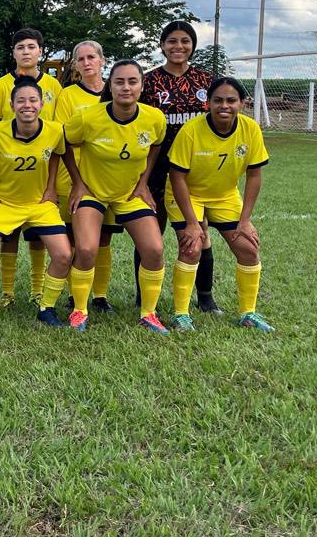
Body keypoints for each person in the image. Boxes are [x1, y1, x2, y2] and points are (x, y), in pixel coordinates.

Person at [61, 60, 169, 334]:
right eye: (119, 81)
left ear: (142, 86)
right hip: (93, 193)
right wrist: (78, 184)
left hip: (128, 194)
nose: (126, 87)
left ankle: (149, 313)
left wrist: (144, 182)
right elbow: (63, 144)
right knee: (85, 249)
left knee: (154, 250)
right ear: (110, 85)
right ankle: (79, 310)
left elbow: (156, 146)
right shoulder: (88, 117)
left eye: (133, 81)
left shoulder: (154, 118)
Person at [167, 77, 273, 332]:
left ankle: (248, 312)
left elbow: (254, 175)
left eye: (231, 100)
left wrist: (245, 220)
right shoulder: (191, 130)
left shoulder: (250, 129)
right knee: (192, 247)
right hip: (188, 194)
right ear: (208, 103)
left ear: (242, 103)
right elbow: (177, 176)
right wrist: (192, 223)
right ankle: (181, 314)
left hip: (224, 196)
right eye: (218, 100)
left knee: (248, 249)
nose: (224, 105)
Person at [0, 76, 71, 329]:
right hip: (4, 203)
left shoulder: (54, 130)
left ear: (41, 105)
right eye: (21, 100)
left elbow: (56, 157)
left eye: (32, 100)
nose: (26, 105)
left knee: (63, 255)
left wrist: (51, 187)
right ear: (11, 104)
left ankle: (46, 308)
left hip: (39, 204)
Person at [138, 20, 220, 313]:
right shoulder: (147, 81)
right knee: (151, 232)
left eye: (185, 41)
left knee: (198, 230)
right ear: (162, 45)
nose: (178, 46)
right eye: (172, 41)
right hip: (155, 167)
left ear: (193, 46)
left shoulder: (207, 81)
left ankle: (205, 297)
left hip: (194, 170)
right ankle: (143, 296)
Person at [0, 28, 64, 314]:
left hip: (38, 173)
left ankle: (36, 290)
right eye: (20, 47)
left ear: (41, 51)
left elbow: (56, 141)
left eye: (32, 46)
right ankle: (6, 292)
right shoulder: (1, 86)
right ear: (14, 52)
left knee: (38, 237)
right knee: (9, 236)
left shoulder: (55, 87)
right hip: (7, 173)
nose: (26, 52)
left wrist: (52, 186)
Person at [52, 40, 118, 317]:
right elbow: (64, 136)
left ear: (103, 60)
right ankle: (73, 294)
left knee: (103, 239)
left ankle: (100, 295)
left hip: (109, 176)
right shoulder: (68, 96)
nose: (87, 62)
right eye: (81, 59)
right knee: (74, 238)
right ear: (76, 65)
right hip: (74, 176)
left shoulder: (116, 91)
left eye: (92, 57)